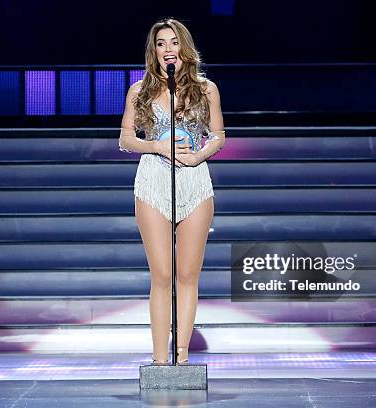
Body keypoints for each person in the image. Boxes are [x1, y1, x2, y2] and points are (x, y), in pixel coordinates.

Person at [118, 18, 225, 365]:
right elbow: (125, 139)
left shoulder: (206, 89)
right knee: (162, 275)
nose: (168, 50)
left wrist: (199, 154)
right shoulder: (140, 90)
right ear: (154, 51)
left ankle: (181, 357)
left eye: (174, 43)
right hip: (153, 181)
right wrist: (158, 147)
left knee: (187, 274)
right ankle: (159, 359)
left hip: (194, 181)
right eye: (161, 44)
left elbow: (219, 137)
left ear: (185, 48)